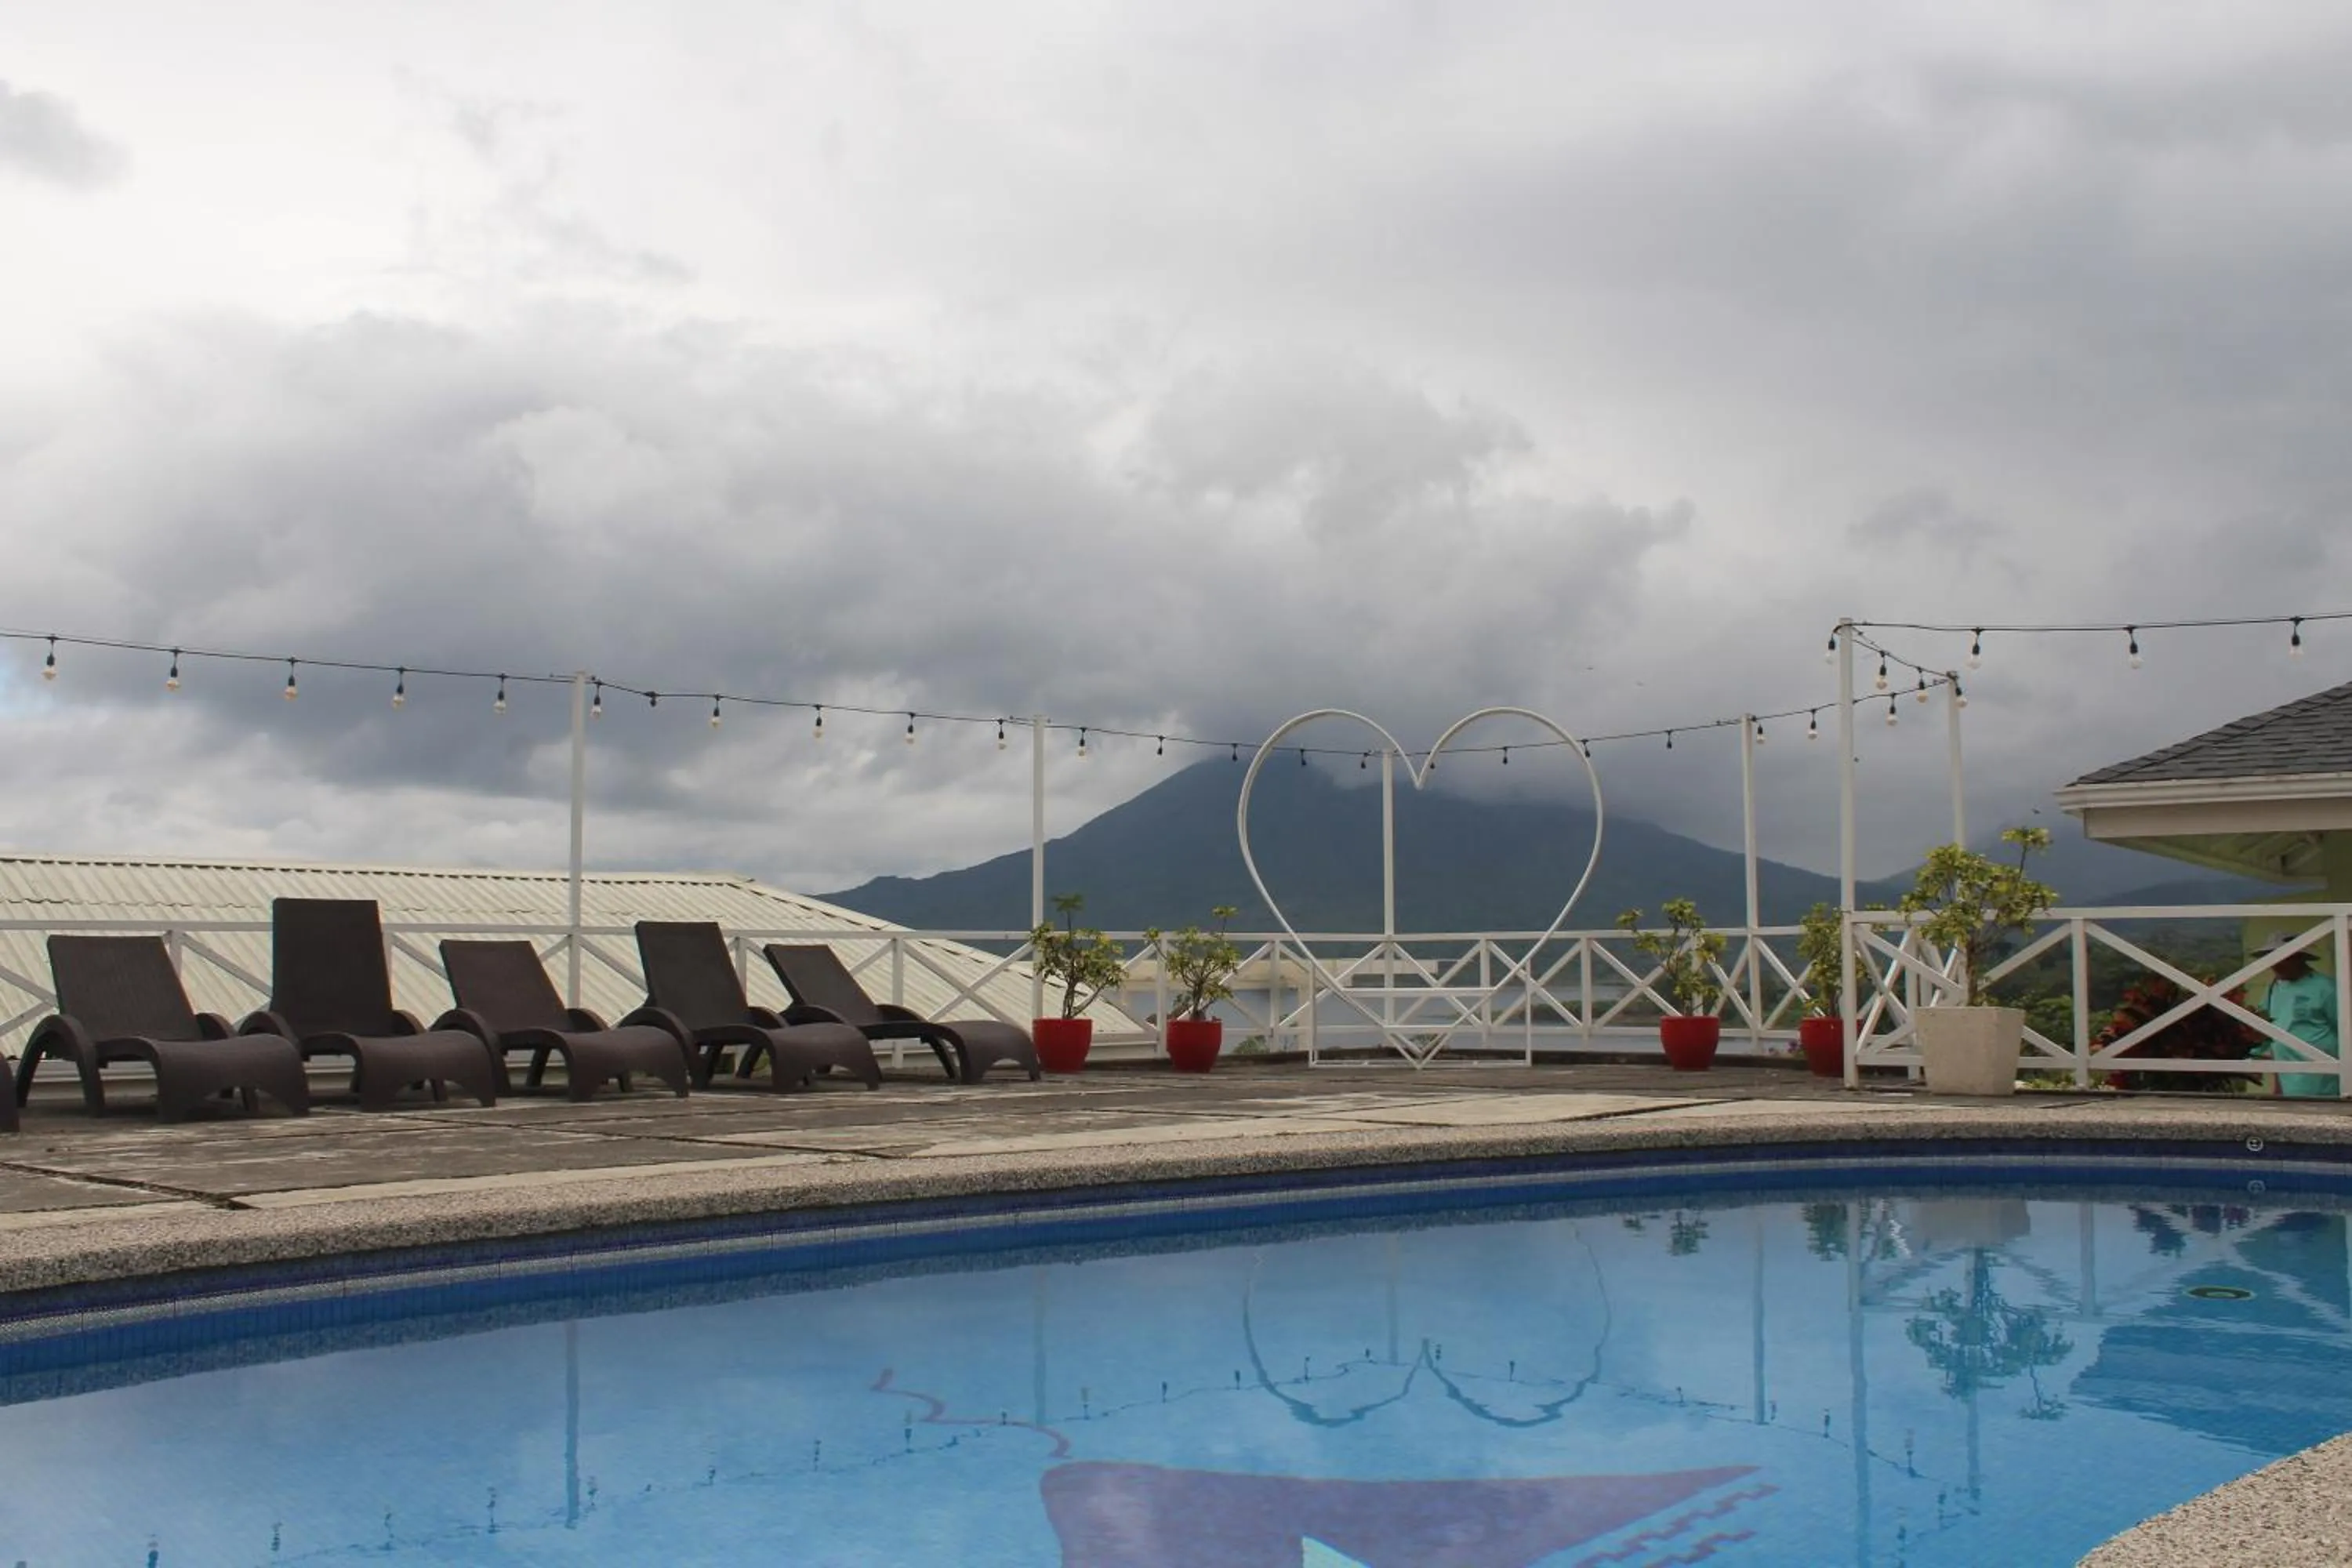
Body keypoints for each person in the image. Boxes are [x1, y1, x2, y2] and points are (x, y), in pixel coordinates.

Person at [2256, 931, 2340, 1099]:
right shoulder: (2274, 988)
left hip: (2321, 1080)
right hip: (2286, 1076)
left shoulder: (2327, 988)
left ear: (2299, 958)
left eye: (2283, 958)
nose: (2276, 965)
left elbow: (2345, 1031)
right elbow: (2266, 1028)